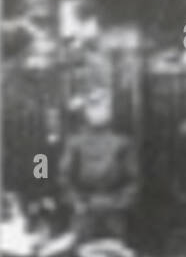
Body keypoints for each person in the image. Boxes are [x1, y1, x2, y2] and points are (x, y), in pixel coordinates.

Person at [58, 90, 139, 243]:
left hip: (114, 211)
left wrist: (120, 204)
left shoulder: (122, 143)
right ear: (87, 112)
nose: (99, 112)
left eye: (104, 107)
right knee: (80, 255)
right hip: (84, 210)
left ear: (110, 111)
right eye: (94, 107)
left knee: (116, 254)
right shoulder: (75, 143)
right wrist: (77, 203)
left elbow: (133, 180)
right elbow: (64, 177)